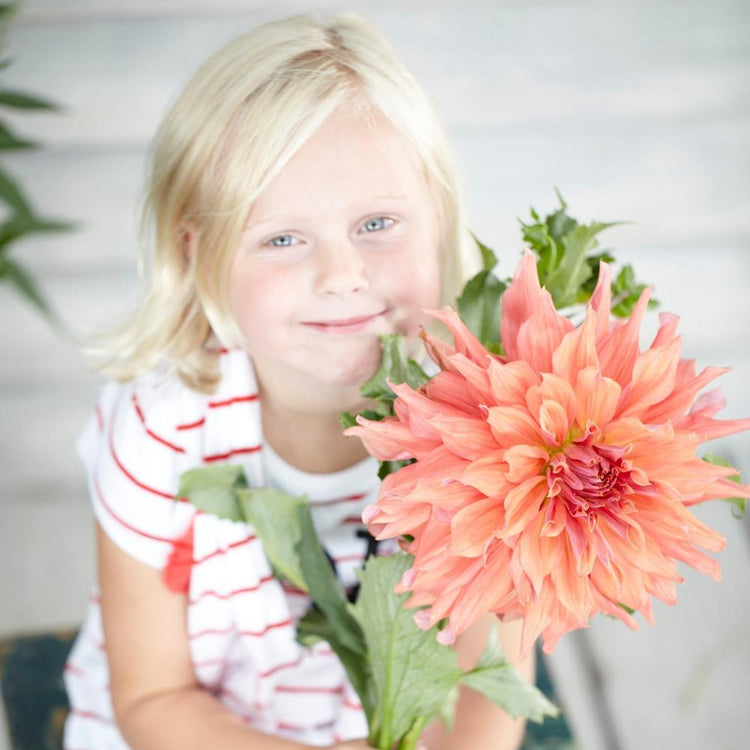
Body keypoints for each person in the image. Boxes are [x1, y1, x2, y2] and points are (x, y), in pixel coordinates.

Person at [63, 13, 535, 750]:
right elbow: (155, 699)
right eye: (283, 239)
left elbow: (490, 693)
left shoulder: (495, 431)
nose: (343, 277)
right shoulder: (161, 428)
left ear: (439, 220)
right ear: (199, 255)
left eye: (378, 224)